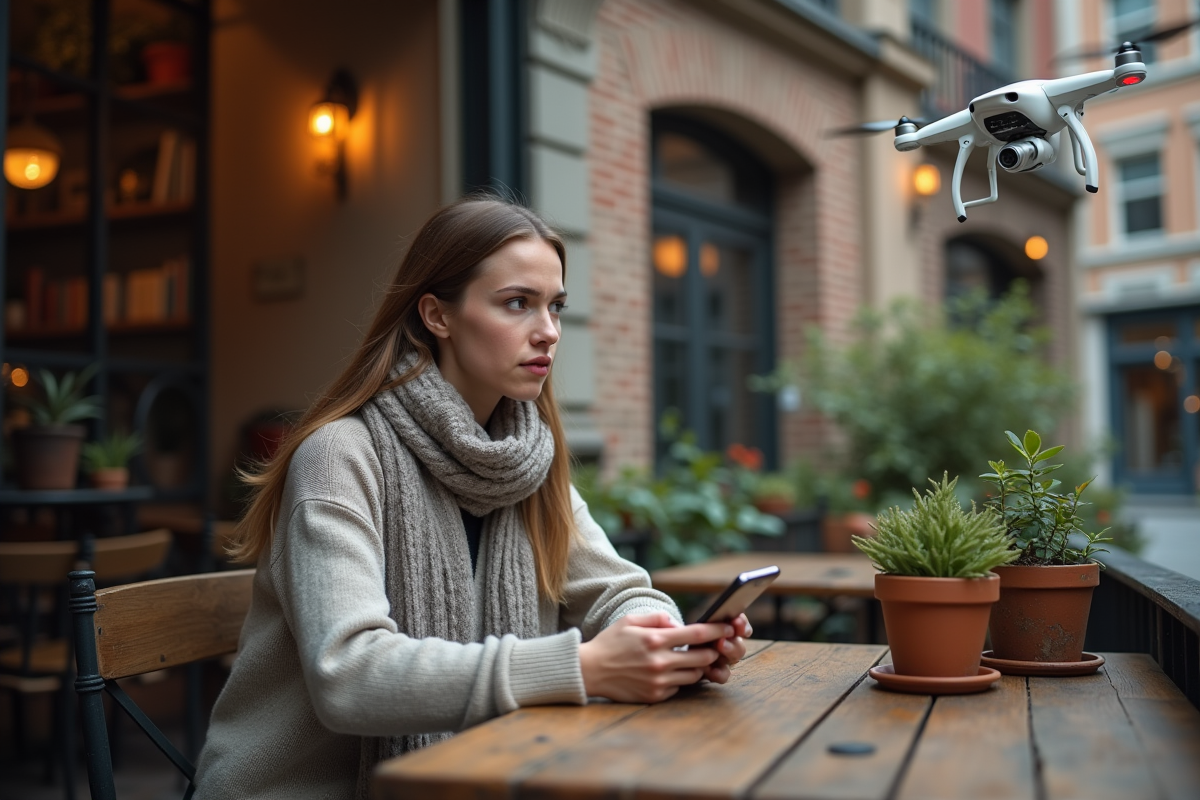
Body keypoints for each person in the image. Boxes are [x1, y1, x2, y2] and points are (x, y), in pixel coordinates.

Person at [193, 198, 753, 800]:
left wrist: (666, 642)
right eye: (518, 303)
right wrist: (584, 667)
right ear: (438, 315)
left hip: (484, 774)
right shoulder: (340, 456)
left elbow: (617, 590)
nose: (549, 331)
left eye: (556, 306)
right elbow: (349, 676)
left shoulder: (528, 461)